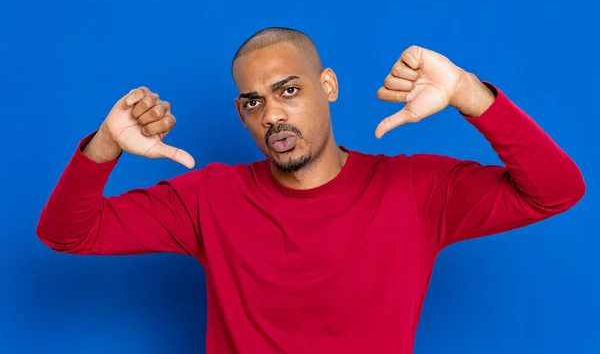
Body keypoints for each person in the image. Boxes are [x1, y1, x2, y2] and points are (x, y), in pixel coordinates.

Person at [36, 27, 585, 353]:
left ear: (328, 86)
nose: (273, 115)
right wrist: (106, 144)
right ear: (241, 114)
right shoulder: (209, 197)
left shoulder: (416, 188)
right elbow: (67, 234)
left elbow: (556, 191)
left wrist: (469, 93)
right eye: (254, 102)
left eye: (289, 90)